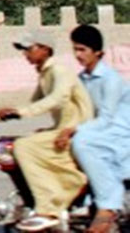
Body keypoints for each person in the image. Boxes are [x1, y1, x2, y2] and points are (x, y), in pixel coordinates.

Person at [0, 30, 94, 232]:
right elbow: (35, 102)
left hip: (78, 131)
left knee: (23, 147)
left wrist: (20, 113)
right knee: (24, 140)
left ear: (45, 49)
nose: (25, 54)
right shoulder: (44, 73)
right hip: (62, 129)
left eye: (29, 49)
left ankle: (48, 210)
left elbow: (58, 98)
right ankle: (30, 202)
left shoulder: (59, 71)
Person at [53, 25, 130, 233]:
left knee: (81, 141)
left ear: (98, 53)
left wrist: (73, 130)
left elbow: (106, 119)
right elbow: (76, 111)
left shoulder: (110, 80)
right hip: (99, 131)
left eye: (82, 50)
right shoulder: (81, 79)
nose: (78, 55)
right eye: (75, 49)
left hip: (120, 133)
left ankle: (109, 204)